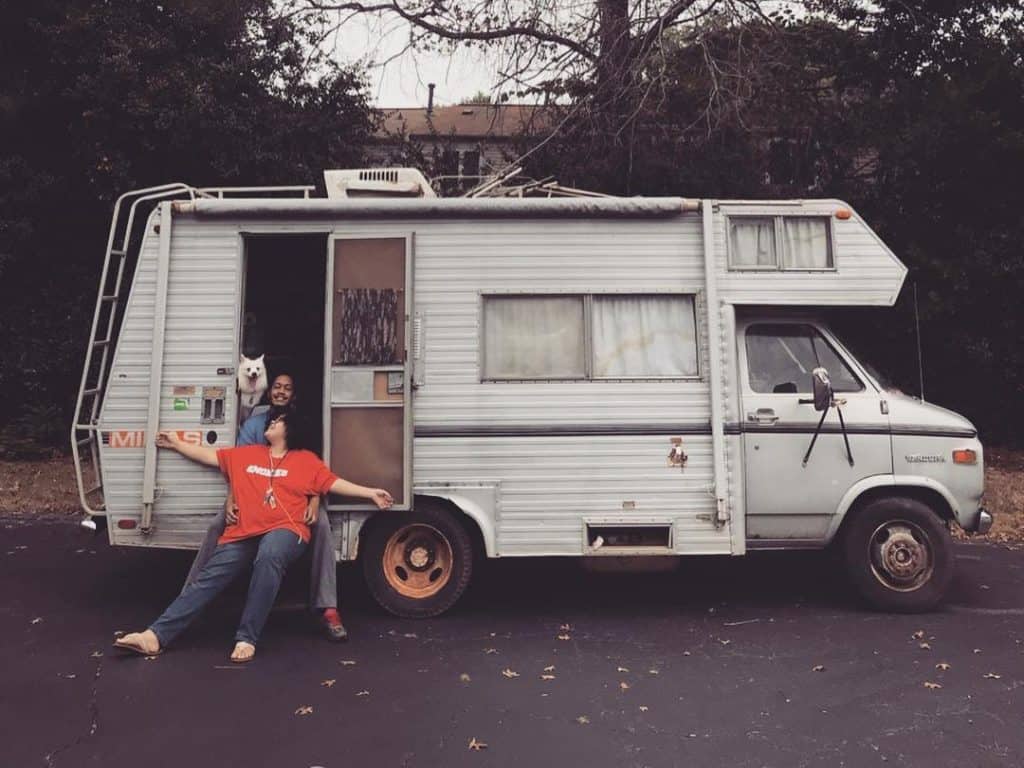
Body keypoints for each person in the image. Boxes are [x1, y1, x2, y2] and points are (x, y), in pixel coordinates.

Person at [114, 410, 392, 662]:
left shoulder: (306, 460)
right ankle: (155, 636)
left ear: (290, 430)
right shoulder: (247, 454)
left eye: (278, 421)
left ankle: (247, 636)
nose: (271, 423)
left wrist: (370, 492)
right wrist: (176, 443)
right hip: (244, 529)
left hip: (288, 527)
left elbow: (333, 482)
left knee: (269, 555)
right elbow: (209, 456)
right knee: (212, 574)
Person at [185, 373, 349, 641]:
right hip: (251, 495)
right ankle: (189, 596)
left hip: (295, 495)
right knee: (218, 524)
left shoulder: (304, 424)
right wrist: (232, 498)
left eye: (287, 388)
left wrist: (315, 498)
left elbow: (315, 467)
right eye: (277, 387)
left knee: (320, 524)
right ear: (269, 391)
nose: (281, 392)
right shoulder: (254, 425)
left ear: (293, 395)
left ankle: (327, 607)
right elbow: (236, 464)